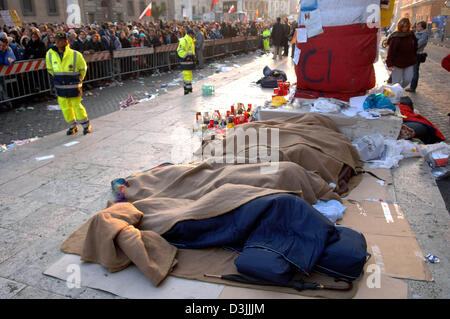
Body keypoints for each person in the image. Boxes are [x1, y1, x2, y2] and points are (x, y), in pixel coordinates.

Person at [46, 31, 92, 136]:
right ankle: (72, 126)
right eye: (56, 40)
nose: (57, 42)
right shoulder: (50, 54)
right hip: (60, 86)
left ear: (66, 42)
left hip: (73, 85)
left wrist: (79, 79)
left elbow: (83, 69)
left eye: (60, 41)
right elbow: (50, 69)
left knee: (77, 106)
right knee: (65, 107)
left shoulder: (75, 54)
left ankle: (86, 125)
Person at [386, 18, 418, 88]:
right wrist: (389, 64)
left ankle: (397, 90)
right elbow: (391, 51)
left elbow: (415, 46)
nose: (404, 28)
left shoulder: (411, 34)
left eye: (406, 26)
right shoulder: (395, 36)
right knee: (395, 82)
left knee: (408, 79)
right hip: (397, 63)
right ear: (400, 26)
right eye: (403, 26)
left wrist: (415, 56)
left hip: (409, 62)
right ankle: (395, 94)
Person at [405, 21, 429, 93]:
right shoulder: (416, 33)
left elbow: (418, 44)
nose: (417, 28)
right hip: (412, 54)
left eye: (418, 26)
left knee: (415, 71)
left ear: (422, 28)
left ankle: (413, 87)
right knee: (410, 70)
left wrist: (412, 44)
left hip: (417, 54)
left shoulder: (424, 35)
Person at [177, 29, 196, 95]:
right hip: (186, 62)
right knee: (187, 76)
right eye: (193, 34)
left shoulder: (190, 40)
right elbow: (180, 51)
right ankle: (188, 91)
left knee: (189, 76)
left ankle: (188, 90)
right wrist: (186, 57)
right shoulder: (184, 40)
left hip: (189, 61)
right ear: (190, 34)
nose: (194, 36)